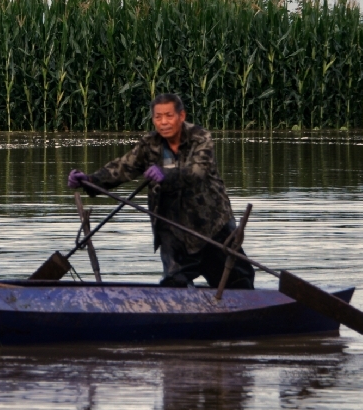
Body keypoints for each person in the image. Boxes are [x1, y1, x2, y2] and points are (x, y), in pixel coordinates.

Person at [67, 94, 254, 289]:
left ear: (181, 116)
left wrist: (166, 173)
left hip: (213, 227)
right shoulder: (150, 144)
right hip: (171, 229)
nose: (163, 122)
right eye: (158, 117)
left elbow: (198, 171)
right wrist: (89, 180)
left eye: (169, 116)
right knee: (173, 286)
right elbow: (122, 168)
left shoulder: (200, 138)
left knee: (240, 284)